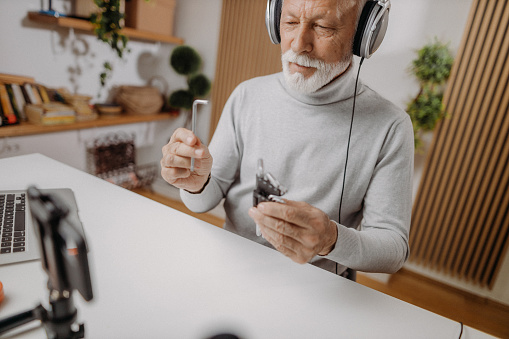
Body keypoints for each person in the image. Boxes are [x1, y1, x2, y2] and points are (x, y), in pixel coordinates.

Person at [160, 0, 414, 278]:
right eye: (291, 22)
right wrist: (195, 184)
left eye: (322, 26)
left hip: (318, 291)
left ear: (364, 35)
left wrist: (330, 238)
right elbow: (203, 200)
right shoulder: (247, 95)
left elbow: (393, 249)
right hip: (232, 271)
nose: (297, 44)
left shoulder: (391, 126)